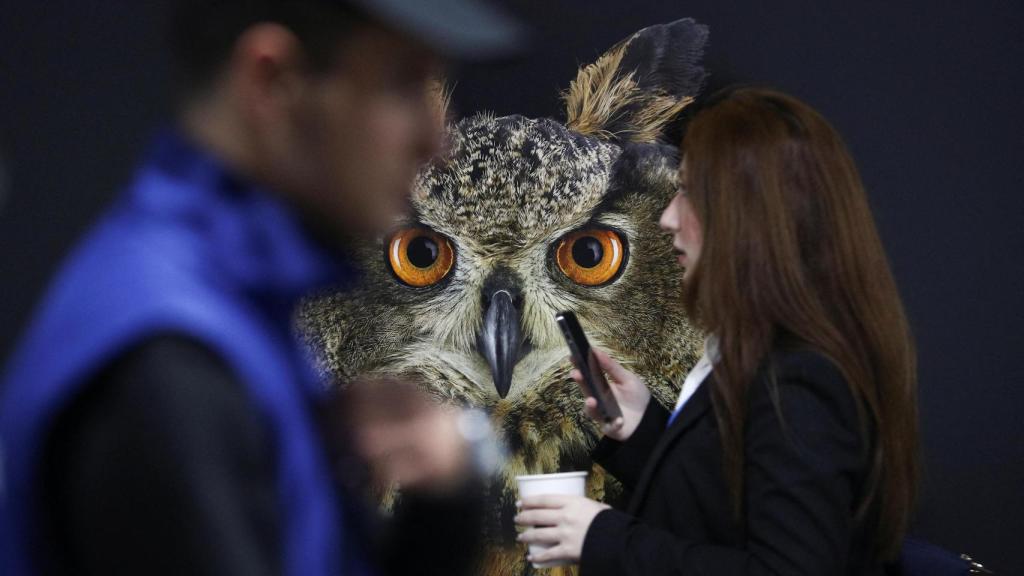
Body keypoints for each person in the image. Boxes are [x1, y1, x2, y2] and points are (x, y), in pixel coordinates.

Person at [0, 1, 522, 575]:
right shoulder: (167, 362)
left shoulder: (234, 310)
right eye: (402, 82)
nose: (435, 141)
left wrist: (441, 506)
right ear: (272, 83)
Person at [515, 87, 920, 575]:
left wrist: (605, 537)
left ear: (746, 218)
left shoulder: (798, 381)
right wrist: (642, 433)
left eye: (686, 192)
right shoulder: (759, 355)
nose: (668, 219)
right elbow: (727, 514)